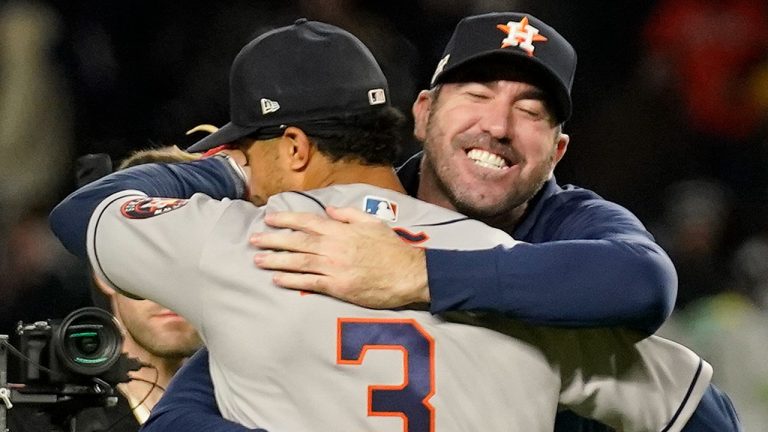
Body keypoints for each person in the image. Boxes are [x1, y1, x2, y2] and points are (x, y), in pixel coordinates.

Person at [47, 18, 739, 432]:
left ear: (558, 152)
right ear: (419, 114)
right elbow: (696, 412)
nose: (497, 124)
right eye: (476, 93)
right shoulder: (521, 288)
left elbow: (644, 282)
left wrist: (417, 273)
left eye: (531, 111)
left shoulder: (270, 239)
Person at [5, 147, 202, 432]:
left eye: (191, 262)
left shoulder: (270, 409)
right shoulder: (36, 420)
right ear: (105, 273)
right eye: (145, 262)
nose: (166, 288)